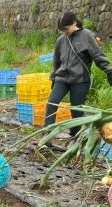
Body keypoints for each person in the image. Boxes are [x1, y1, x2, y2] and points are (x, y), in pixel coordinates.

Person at [45, 12, 112, 146]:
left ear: (74, 23)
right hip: (62, 78)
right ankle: (48, 133)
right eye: (61, 30)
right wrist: (54, 77)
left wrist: (109, 70)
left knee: (76, 110)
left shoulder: (87, 36)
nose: (64, 32)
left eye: (66, 29)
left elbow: (98, 56)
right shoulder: (61, 40)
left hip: (80, 80)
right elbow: (56, 61)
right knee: (52, 102)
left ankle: (74, 137)